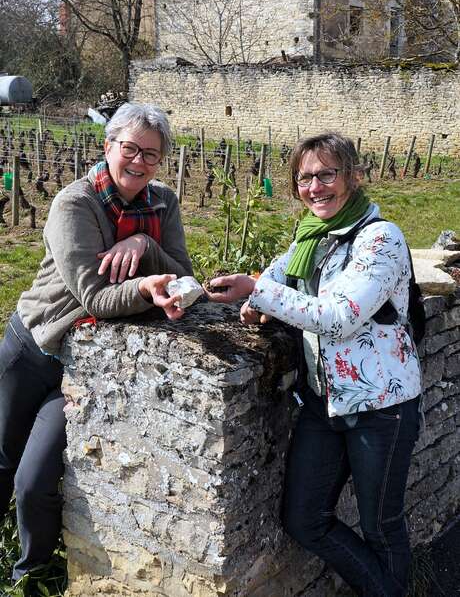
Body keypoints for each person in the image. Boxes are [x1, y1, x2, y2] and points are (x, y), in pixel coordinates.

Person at [207, 132, 421, 597]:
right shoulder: (310, 236)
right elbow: (277, 277)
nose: (315, 187)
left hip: (382, 407)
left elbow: (339, 316)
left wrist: (258, 291)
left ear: (354, 176)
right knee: (304, 519)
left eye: (327, 174)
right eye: (305, 178)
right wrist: (256, 300)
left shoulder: (381, 238)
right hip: (323, 403)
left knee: (381, 526)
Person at [0, 103, 192, 582]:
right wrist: (149, 284)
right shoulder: (74, 203)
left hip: (82, 366)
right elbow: (97, 297)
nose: (139, 162)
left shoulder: (162, 202)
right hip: (33, 349)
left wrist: (145, 247)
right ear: (107, 147)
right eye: (129, 148)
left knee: (35, 481)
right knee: (2, 460)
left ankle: (33, 574)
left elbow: (186, 278)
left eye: (151, 154)